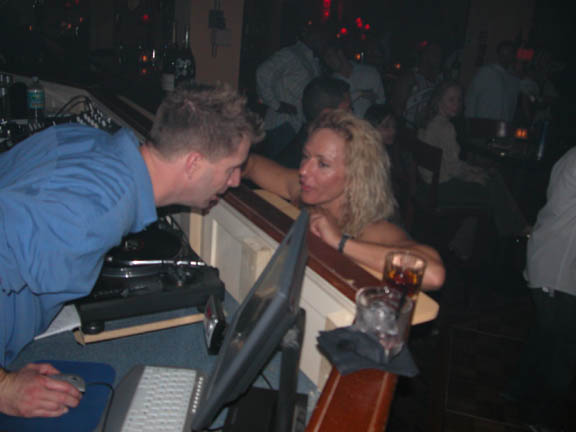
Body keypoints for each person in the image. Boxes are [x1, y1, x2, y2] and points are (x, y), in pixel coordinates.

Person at [0, 83, 263, 418]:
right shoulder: (94, 211)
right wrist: (5, 388)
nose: (236, 180)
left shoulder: (90, 143)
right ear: (194, 163)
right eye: (231, 168)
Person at [244, 109, 445, 291]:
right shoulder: (304, 191)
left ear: (355, 176)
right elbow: (251, 165)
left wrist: (340, 242)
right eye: (306, 156)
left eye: (323, 164)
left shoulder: (370, 229)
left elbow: (433, 275)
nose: (304, 170)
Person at [504, 146, 576, 432]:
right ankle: (541, 418)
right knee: (563, 350)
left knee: (546, 337)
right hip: (558, 267)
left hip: (553, 259)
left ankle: (518, 391)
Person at [418, 80, 529, 257]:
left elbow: (449, 163)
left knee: (490, 178)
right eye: (451, 100)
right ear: (438, 101)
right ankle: (514, 233)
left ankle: (464, 242)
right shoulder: (445, 128)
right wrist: (473, 176)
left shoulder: (429, 122)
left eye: (459, 100)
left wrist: (474, 170)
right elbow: (453, 169)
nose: (456, 104)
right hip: (442, 188)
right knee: (492, 188)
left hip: (429, 184)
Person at [256, 23, 330, 136]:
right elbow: (262, 73)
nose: (321, 40)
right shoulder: (292, 54)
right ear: (307, 35)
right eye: (318, 34)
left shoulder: (314, 61)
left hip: (300, 125)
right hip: (283, 124)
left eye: (323, 36)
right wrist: (277, 105)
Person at [268, 75, 350, 169]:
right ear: (327, 115)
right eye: (347, 109)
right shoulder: (296, 165)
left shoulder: (301, 147)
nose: (351, 114)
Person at [321, 40, 386, 118]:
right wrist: (360, 93)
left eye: (329, 56)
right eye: (325, 59)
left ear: (340, 53)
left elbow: (381, 103)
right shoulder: (331, 83)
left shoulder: (369, 73)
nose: (328, 62)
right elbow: (336, 107)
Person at [464, 40, 521, 123]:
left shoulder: (514, 79)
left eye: (509, 53)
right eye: (503, 54)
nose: (506, 57)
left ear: (513, 55)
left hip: (503, 125)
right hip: (483, 122)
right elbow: (472, 96)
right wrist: (470, 121)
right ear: (498, 54)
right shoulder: (487, 71)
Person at [391, 41, 444, 128]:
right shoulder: (409, 78)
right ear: (424, 55)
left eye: (439, 54)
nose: (438, 57)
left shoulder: (440, 82)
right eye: (434, 53)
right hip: (409, 129)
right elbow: (397, 108)